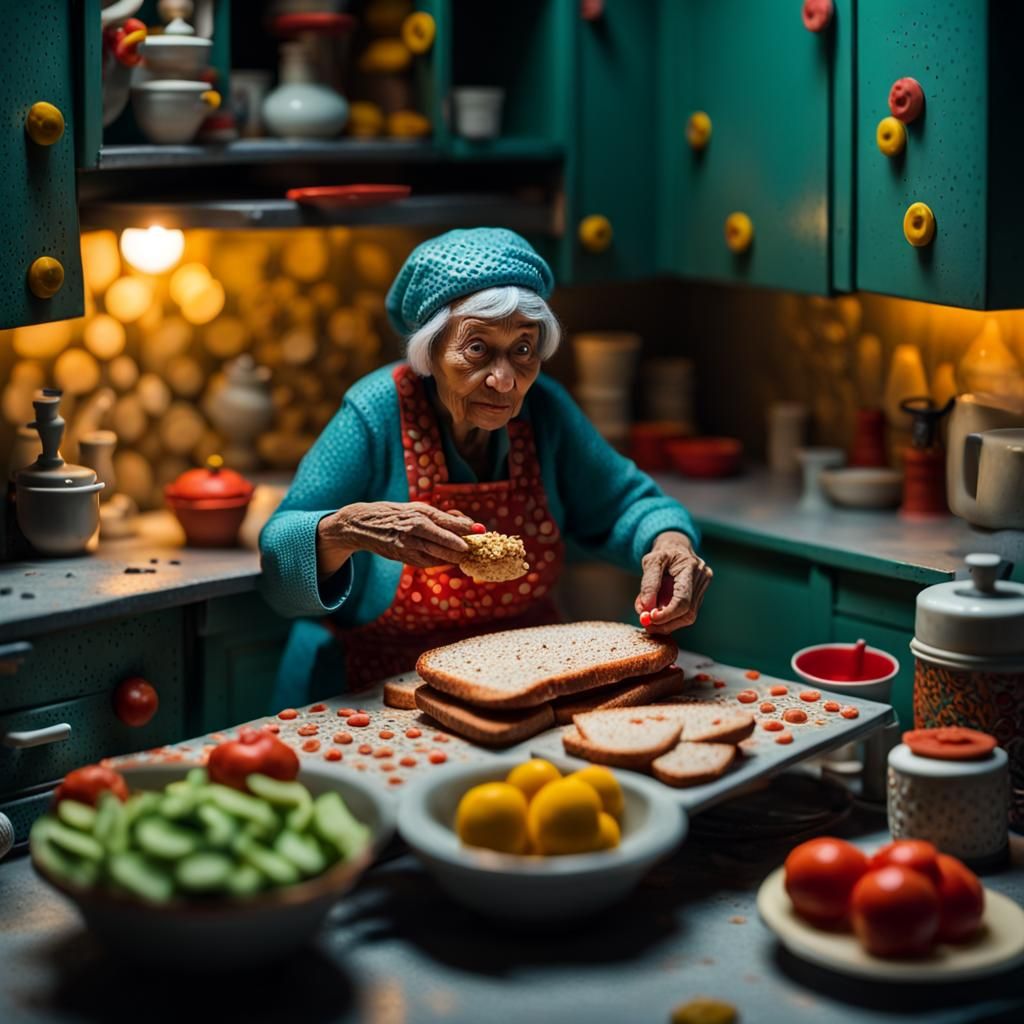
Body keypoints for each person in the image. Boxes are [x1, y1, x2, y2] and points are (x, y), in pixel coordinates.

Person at [259, 228, 711, 704]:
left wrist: (671, 543)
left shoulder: (545, 413)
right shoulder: (375, 413)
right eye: (477, 349)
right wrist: (347, 529)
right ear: (429, 352)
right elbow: (276, 564)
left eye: (522, 350)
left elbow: (626, 503)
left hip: (525, 682)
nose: (504, 381)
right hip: (377, 686)